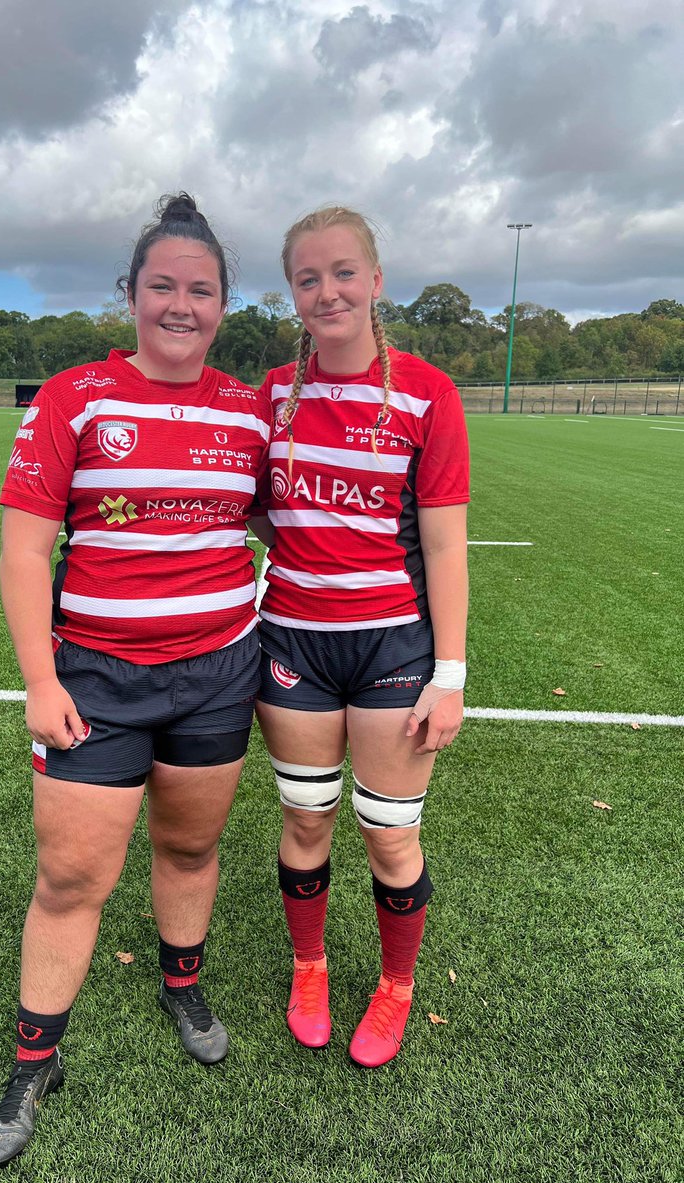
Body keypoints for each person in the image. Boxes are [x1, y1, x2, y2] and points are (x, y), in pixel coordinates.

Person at [0, 194, 271, 1165]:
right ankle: (35, 1060)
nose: (181, 305)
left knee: (190, 848)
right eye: (162, 286)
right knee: (72, 877)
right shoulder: (74, 398)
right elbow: (26, 552)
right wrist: (39, 679)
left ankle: (182, 986)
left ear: (223, 304)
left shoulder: (249, 411)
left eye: (202, 290)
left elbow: (277, 520)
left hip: (219, 673)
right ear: (132, 295)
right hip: (96, 681)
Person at [253, 206, 469, 1068]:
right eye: (308, 278)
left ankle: (396, 986)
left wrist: (449, 675)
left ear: (376, 281)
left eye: (344, 272)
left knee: (388, 833)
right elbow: (257, 513)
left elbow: (445, 544)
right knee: (305, 821)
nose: (327, 291)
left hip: (392, 651)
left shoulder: (427, 392)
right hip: (294, 646)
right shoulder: (272, 394)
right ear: (293, 294)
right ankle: (310, 967)